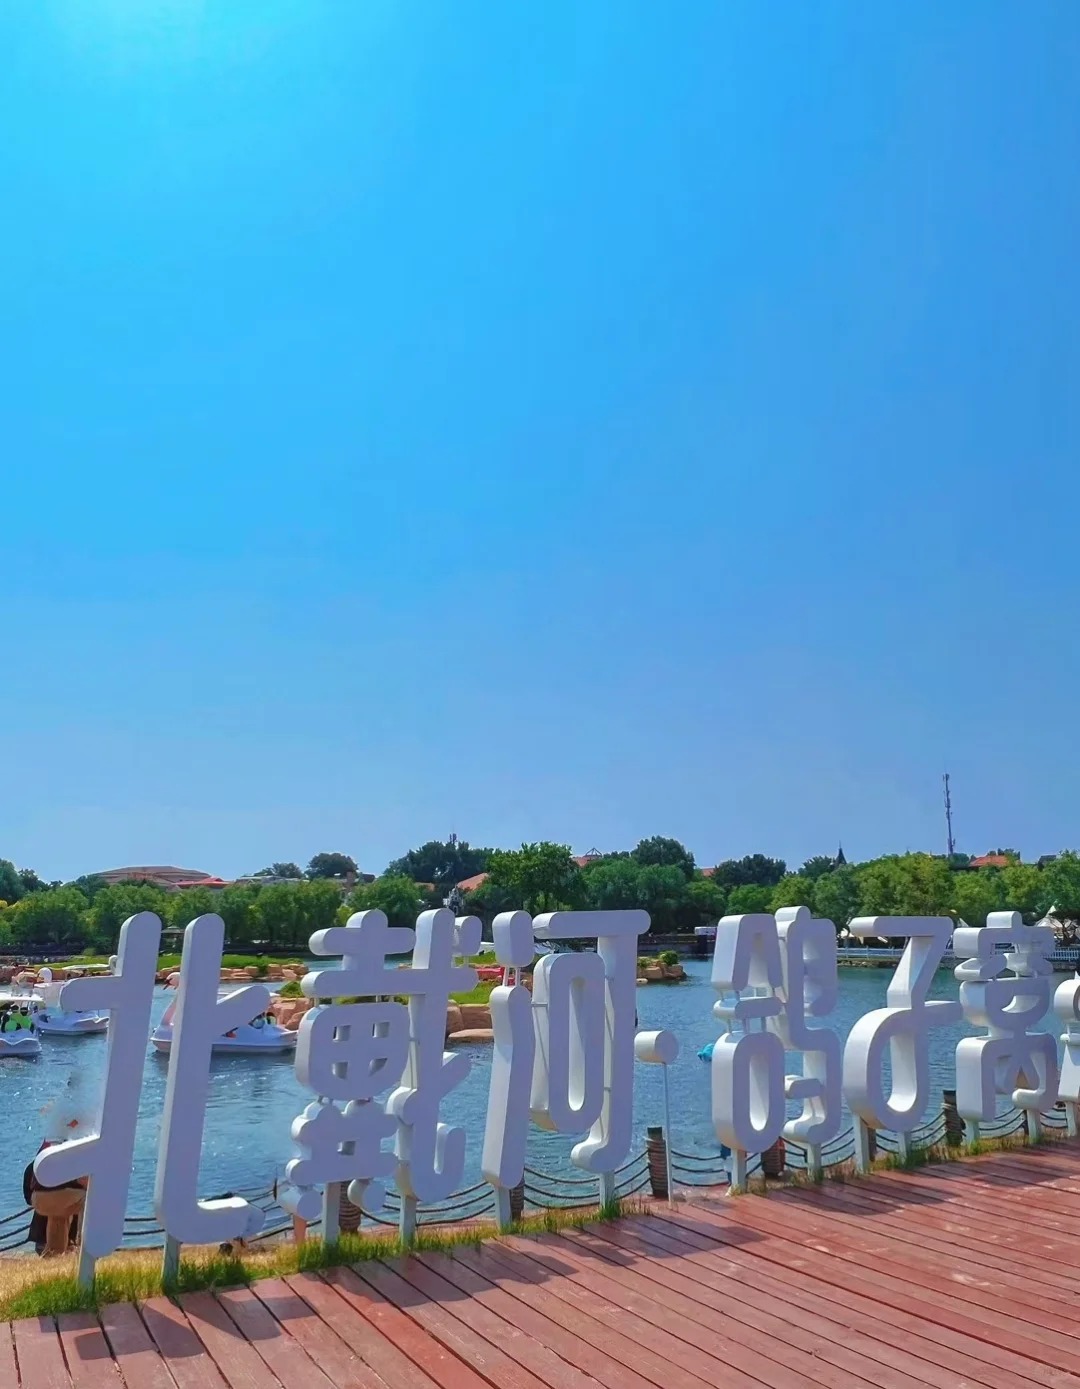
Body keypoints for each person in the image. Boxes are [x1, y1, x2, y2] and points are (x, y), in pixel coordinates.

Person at [23, 1126, 86, 1257]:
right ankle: (84, 1247)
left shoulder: (43, 1154)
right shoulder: (75, 1153)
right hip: (54, 1198)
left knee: (59, 1213)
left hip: (37, 1200)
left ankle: (54, 1253)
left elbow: (28, 1193)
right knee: (88, 1200)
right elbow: (87, 1183)